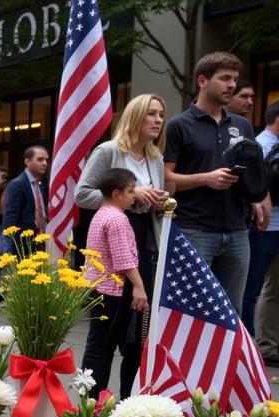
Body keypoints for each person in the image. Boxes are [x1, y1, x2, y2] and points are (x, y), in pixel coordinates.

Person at [75, 93, 170, 395]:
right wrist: (129, 198)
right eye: (152, 114)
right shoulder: (108, 151)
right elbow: (82, 194)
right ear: (135, 117)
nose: (158, 120)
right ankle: (91, 403)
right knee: (104, 332)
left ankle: (130, 403)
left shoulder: (156, 157)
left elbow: (153, 201)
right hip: (111, 244)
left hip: (146, 244)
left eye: (161, 114)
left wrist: (158, 199)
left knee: (138, 336)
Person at [164, 51, 257, 309]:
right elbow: (166, 177)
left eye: (234, 79)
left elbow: (253, 172)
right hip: (195, 229)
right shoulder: (178, 125)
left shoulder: (242, 125)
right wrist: (206, 178)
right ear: (202, 80)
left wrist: (259, 198)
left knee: (232, 310)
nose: (231, 85)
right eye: (225, 78)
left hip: (238, 230)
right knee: (194, 309)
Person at [79, 169, 149, 397]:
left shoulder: (100, 214)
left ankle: (89, 395)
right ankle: (96, 398)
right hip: (112, 291)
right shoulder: (118, 218)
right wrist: (138, 285)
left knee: (97, 344)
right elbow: (123, 258)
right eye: (130, 191)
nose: (134, 196)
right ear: (116, 193)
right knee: (104, 347)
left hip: (97, 286)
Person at [243, 101, 279, 359]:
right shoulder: (260, 145)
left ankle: (269, 345)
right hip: (263, 228)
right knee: (253, 290)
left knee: (274, 289)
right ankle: (252, 347)